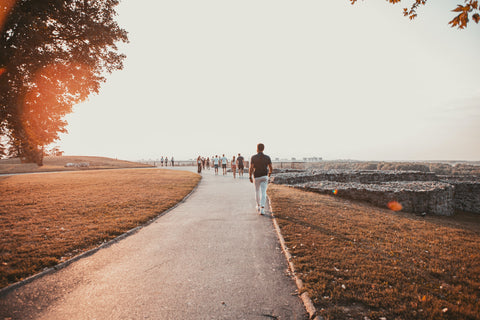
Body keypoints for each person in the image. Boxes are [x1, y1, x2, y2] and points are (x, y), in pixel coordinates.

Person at [249, 143, 273, 215]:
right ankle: (262, 208)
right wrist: (269, 174)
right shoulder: (267, 157)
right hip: (264, 176)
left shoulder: (253, 157)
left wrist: (250, 176)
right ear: (263, 149)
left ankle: (258, 206)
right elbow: (270, 167)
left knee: (257, 191)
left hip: (256, 176)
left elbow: (251, 168)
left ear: (257, 148)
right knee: (263, 192)